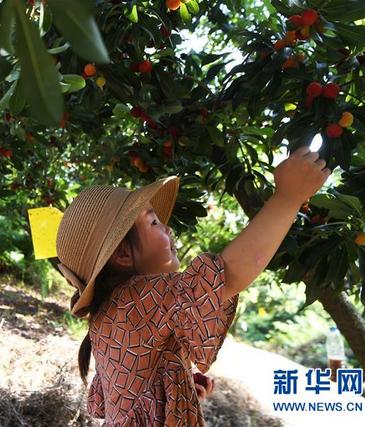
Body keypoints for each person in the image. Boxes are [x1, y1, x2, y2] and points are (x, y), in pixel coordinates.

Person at [55, 145, 330, 426]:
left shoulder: (110, 315)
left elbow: (128, 399)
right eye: (153, 222)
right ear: (123, 255)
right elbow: (227, 275)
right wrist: (287, 198)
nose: (168, 228)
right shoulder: (137, 297)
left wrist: (178, 389)